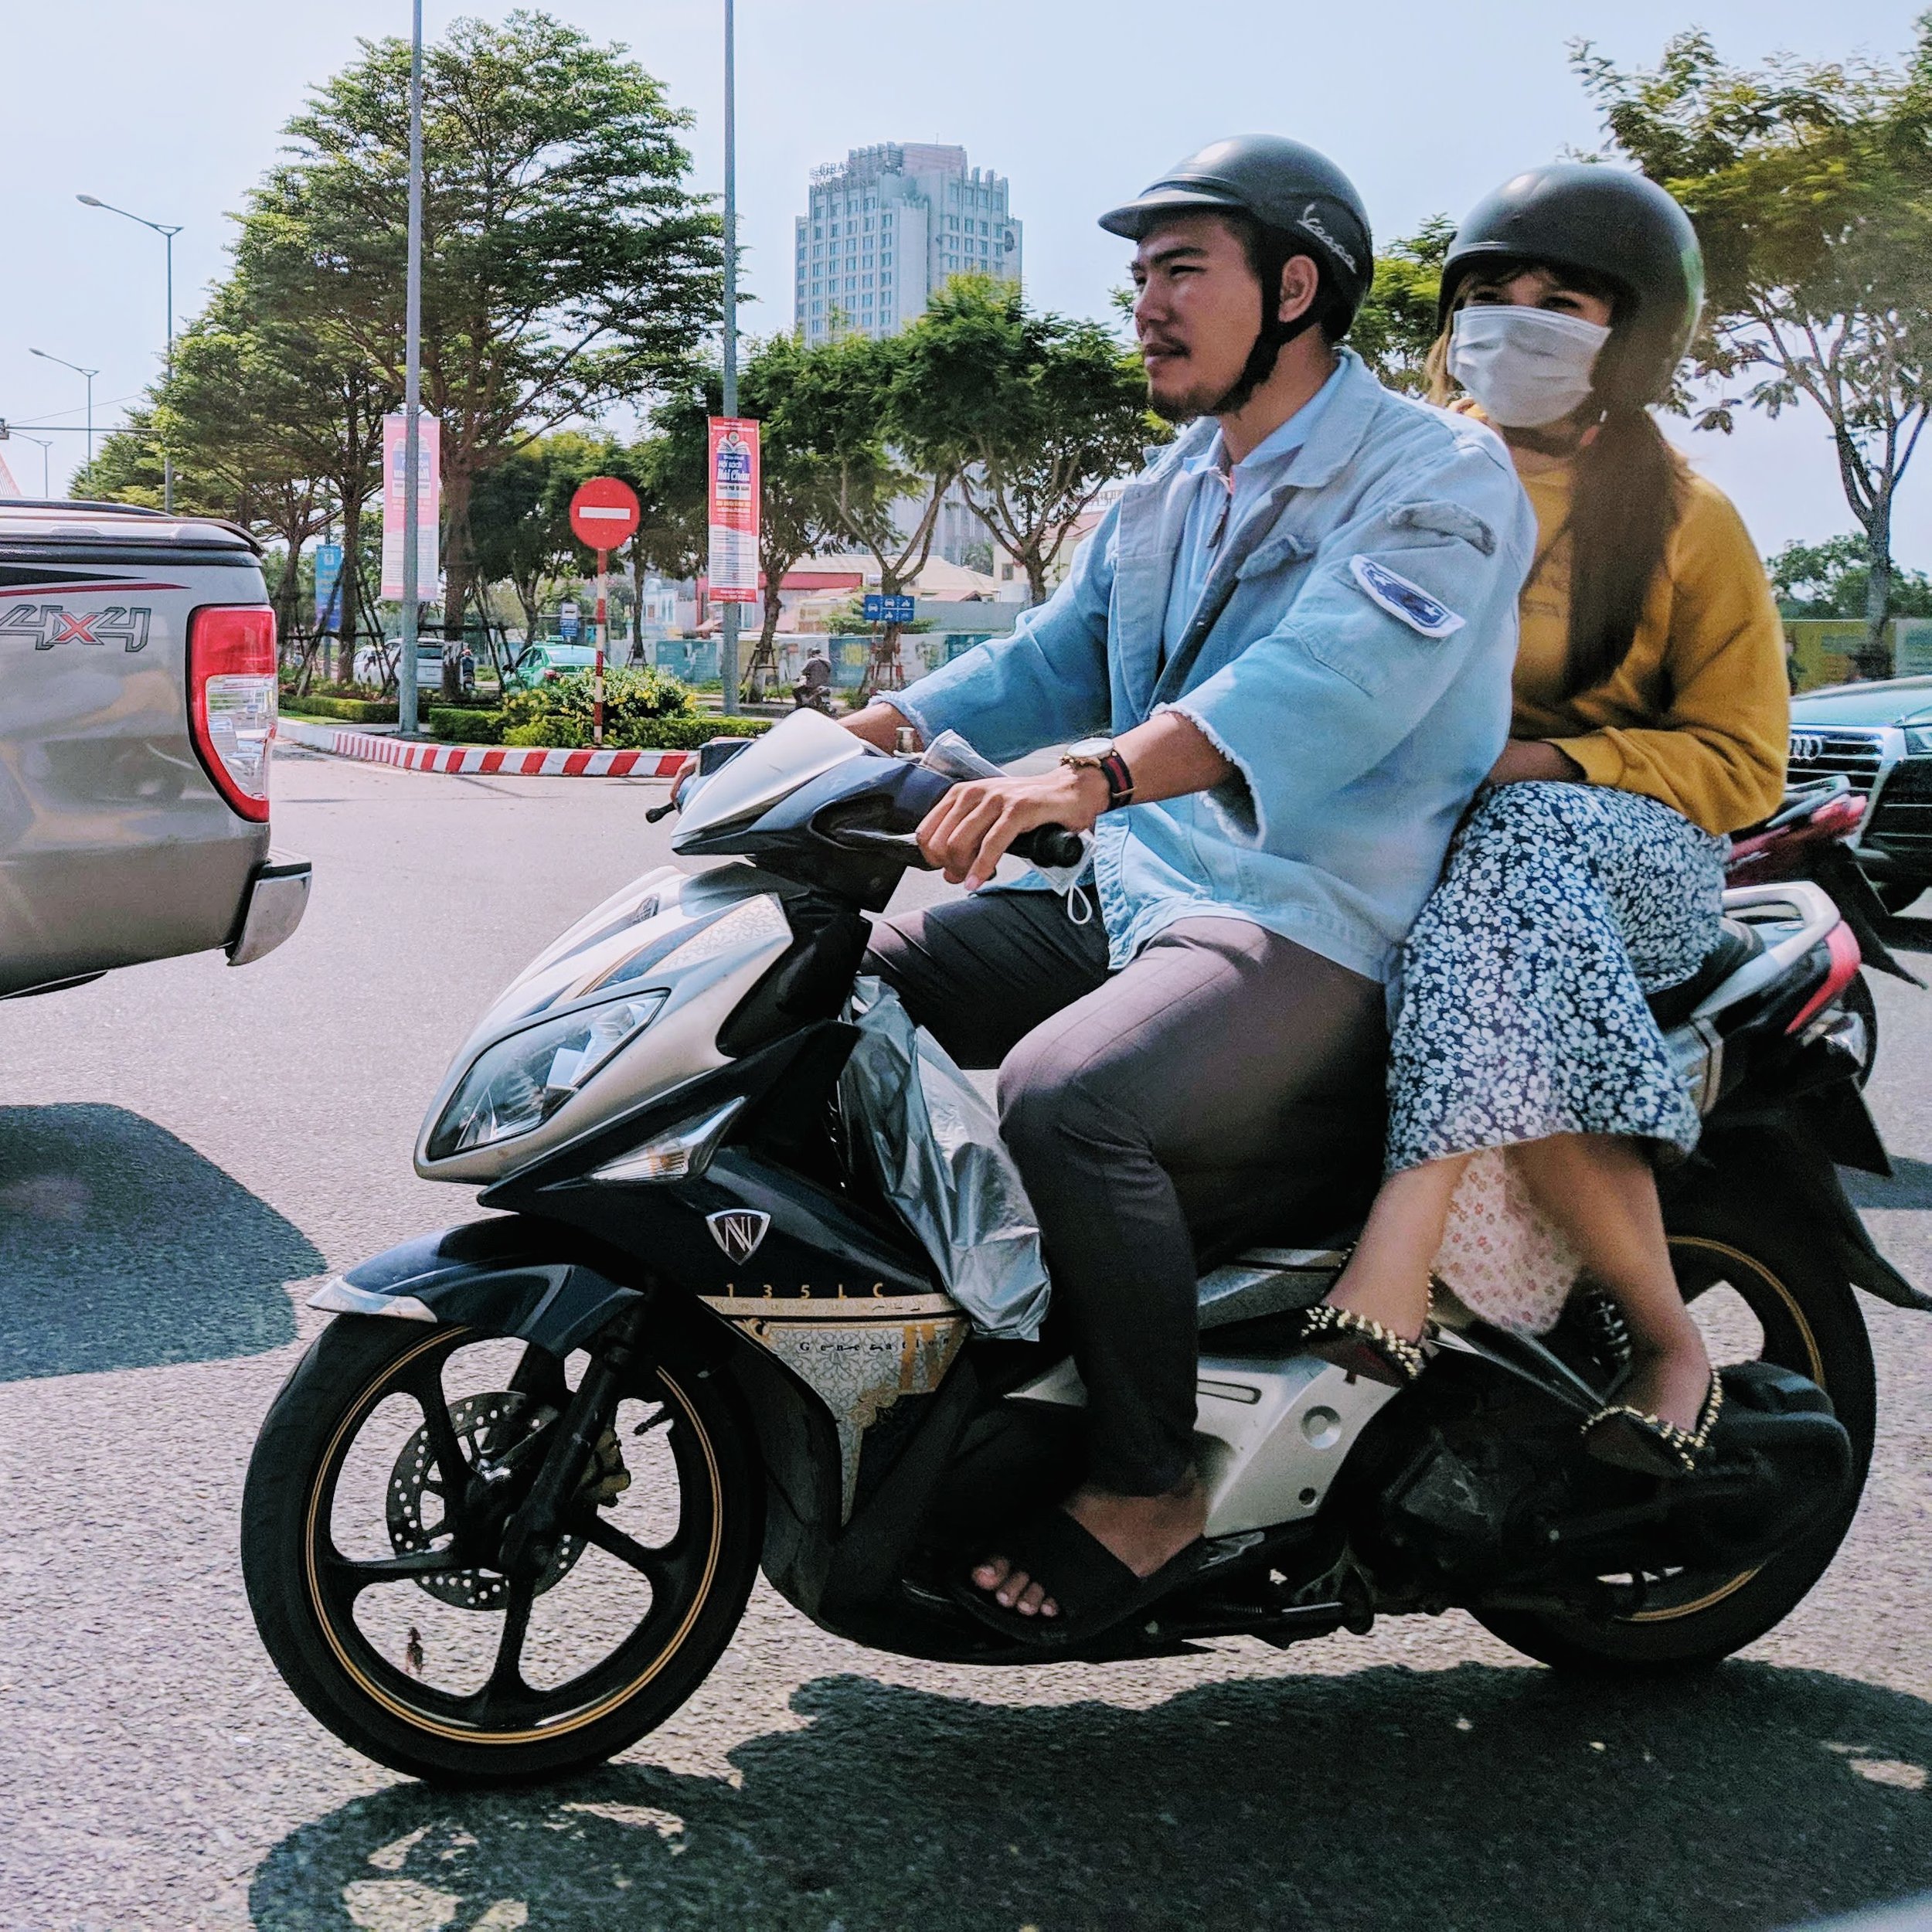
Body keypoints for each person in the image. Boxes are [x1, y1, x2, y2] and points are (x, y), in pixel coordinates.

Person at [838, 135, 1535, 1641]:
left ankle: (1148, 1477)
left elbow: (1329, 678)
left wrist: (1085, 776)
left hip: (1313, 918)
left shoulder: (1434, 473)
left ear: (1293, 287)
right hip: (1141, 894)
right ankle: (966, 1359)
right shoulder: (1162, 492)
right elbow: (1052, 658)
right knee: (853, 981)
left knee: (1062, 1093)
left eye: (1178, 270)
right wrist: (871, 733)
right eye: (1138, 274)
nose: (1143, 303)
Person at [1292, 164, 1788, 1477]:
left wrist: (1549, 764)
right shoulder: (1394, 467)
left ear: (1631, 335)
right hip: (1423, 848)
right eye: (1489, 296)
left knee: (1509, 859)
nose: (1516, 321)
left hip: (1633, 857)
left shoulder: (1692, 519)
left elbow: (1746, 764)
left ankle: (1637, 1326)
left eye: (1558, 300)